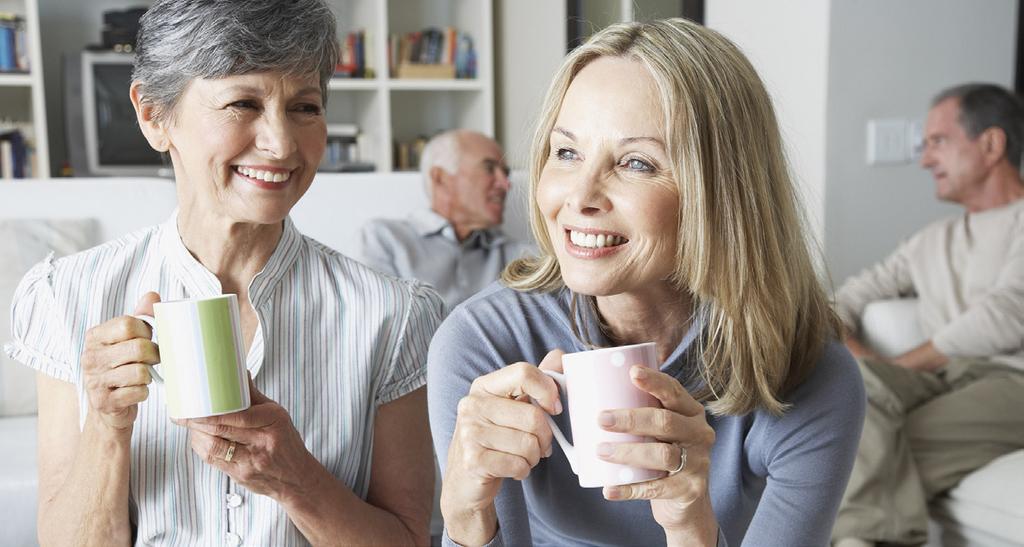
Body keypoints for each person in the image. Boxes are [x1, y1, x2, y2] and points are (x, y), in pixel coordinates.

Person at [3, 1, 443, 544]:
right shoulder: (66, 297)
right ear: (153, 115)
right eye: (242, 103)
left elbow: (410, 539)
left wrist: (298, 482)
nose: (281, 145)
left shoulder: (394, 315)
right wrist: (106, 425)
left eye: (305, 108)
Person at [427, 18, 866, 547]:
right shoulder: (481, 342)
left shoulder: (811, 371)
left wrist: (690, 525)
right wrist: (466, 518)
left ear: (721, 192)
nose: (580, 196)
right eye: (566, 152)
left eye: (636, 163)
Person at [832, 83, 1024, 546]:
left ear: (992, 144)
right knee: (845, 385)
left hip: (1012, 382)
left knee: (850, 454)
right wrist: (859, 356)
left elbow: (1005, 314)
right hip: (942, 378)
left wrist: (895, 367)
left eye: (938, 141)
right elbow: (844, 299)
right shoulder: (929, 241)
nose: (923, 159)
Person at [360, 129, 533, 308]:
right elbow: (383, 322)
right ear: (440, 178)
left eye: (506, 173)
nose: (506, 184)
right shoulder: (384, 239)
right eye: (489, 168)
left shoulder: (515, 254)